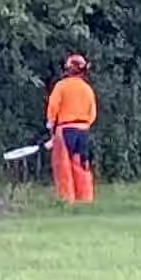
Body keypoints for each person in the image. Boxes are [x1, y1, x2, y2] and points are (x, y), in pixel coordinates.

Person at [46, 53, 97, 203]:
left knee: (63, 167)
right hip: (84, 130)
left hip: (65, 129)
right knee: (81, 165)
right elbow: (92, 113)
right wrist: (85, 125)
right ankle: (85, 198)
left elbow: (53, 107)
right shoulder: (87, 89)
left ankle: (66, 199)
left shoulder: (61, 86)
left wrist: (51, 125)